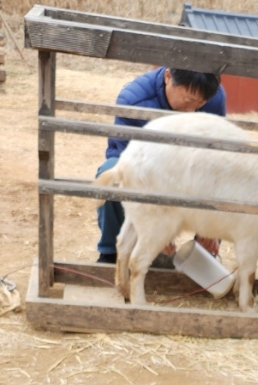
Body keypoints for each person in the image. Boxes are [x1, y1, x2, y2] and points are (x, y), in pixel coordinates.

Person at [96, 67, 226, 264]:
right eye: (189, 100)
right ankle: (111, 254)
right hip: (144, 169)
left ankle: (203, 256)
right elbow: (126, 164)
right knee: (110, 174)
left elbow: (215, 161)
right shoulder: (134, 100)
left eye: (200, 104)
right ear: (168, 77)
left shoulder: (214, 97)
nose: (192, 110)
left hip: (188, 169)